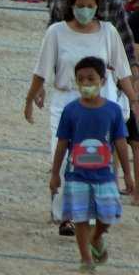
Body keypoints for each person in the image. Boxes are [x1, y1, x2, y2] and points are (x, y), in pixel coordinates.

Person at [27, 0, 137, 236]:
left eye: (90, 5)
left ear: (97, 6)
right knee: (63, 154)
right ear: (71, 5)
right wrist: (29, 100)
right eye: (80, 5)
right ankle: (66, 214)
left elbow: (121, 70)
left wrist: (133, 100)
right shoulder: (56, 32)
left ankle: (92, 212)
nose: (85, 10)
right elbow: (42, 69)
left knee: (96, 158)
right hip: (66, 100)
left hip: (102, 102)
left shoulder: (108, 32)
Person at [49, 56, 132, 269]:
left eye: (91, 79)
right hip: (76, 174)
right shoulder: (71, 111)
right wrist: (55, 174)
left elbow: (121, 143)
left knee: (108, 213)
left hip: (104, 175)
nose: (86, 84)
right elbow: (62, 144)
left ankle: (96, 237)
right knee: (80, 216)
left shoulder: (112, 111)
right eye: (80, 79)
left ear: (103, 81)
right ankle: (85, 258)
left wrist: (127, 174)